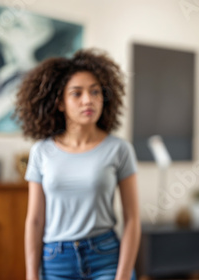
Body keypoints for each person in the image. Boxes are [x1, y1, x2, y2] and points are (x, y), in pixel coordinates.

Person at [16, 49, 141, 280]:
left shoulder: (119, 150)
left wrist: (123, 275)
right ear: (60, 103)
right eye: (77, 93)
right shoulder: (41, 152)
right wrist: (31, 275)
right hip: (56, 261)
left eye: (95, 92)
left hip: (106, 258)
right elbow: (34, 220)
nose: (88, 100)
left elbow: (132, 218)